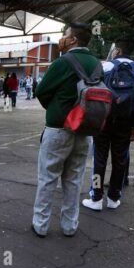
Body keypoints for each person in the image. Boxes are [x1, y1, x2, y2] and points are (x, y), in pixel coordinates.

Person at [32, 22, 99, 238]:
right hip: (86, 130)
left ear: (73, 40)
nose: (61, 37)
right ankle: (70, 226)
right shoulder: (97, 64)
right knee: (74, 179)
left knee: (48, 178)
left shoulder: (63, 62)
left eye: (64, 34)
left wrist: (56, 108)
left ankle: (41, 225)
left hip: (59, 128)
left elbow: (42, 91)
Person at [82, 37, 134, 212]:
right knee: (120, 160)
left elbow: (93, 96)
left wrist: (93, 122)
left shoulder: (105, 67)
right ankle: (114, 197)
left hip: (104, 122)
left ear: (117, 51)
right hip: (126, 123)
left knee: (99, 160)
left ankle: (96, 198)